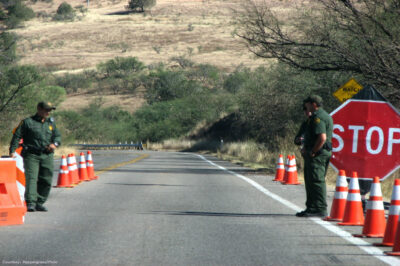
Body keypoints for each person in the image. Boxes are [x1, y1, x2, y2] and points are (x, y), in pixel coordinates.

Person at [9, 101, 61, 212]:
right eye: (46, 110)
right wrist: (12, 151)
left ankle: (39, 202)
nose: (48, 112)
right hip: (31, 155)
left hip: (47, 155)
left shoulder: (50, 123)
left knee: (46, 178)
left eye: (50, 110)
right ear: (39, 109)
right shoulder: (27, 122)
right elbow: (17, 136)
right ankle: (31, 202)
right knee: (32, 178)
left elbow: (57, 136)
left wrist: (54, 144)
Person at [295, 95, 333, 217]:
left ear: (313, 104)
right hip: (317, 153)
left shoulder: (318, 117)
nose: (306, 107)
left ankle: (320, 208)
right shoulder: (315, 117)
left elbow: (322, 138)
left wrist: (313, 151)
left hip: (318, 154)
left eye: (307, 104)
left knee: (316, 180)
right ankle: (311, 207)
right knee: (311, 180)